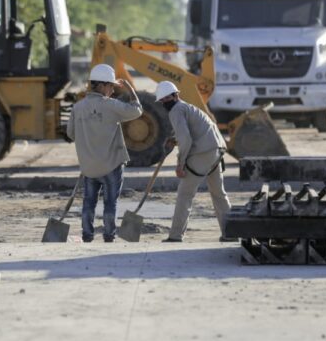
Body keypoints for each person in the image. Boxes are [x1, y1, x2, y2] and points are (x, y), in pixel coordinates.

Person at [66, 64, 142, 242]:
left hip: (89, 167)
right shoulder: (111, 106)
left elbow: (70, 134)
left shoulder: (78, 108)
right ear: (101, 85)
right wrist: (131, 89)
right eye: (111, 87)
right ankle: (109, 236)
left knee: (88, 202)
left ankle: (87, 234)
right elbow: (137, 110)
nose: (112, 91)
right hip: (111, 165)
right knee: (110, 203)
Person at [156, 81, 231, 242]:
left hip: (203, 153)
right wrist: (175, 139)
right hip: (217, 151)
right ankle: (231, 233)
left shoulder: (176, 110)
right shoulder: (188, 108)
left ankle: (175, 235)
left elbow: (186, 140)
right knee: (219, 194)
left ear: (176, 95)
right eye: (162, 100)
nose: (164, 102)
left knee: (185, 194)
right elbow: (193, 132)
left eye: (166, 98)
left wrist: (180, 163)